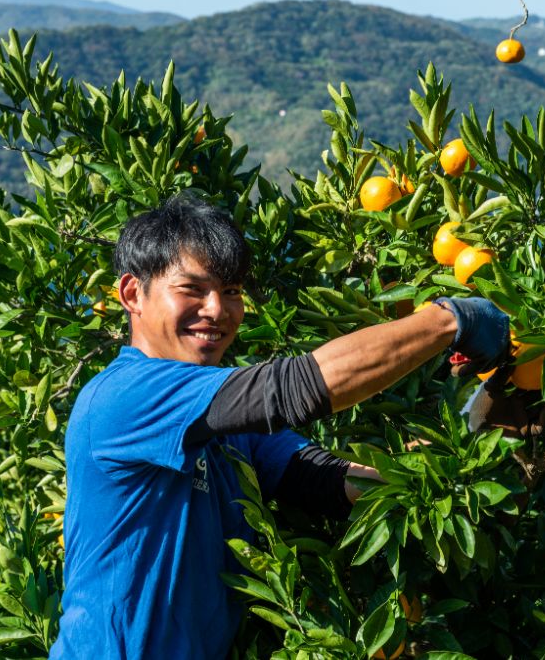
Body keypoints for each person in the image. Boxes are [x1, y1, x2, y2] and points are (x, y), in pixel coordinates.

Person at [49, 193, 510, 659]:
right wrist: (448, 320)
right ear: (132, 294)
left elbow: (324, 481)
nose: (217, 310)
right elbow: (294, 388)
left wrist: (472, 453)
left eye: (230, 292)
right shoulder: (125, 395)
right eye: (192, 289)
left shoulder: (224, 425)